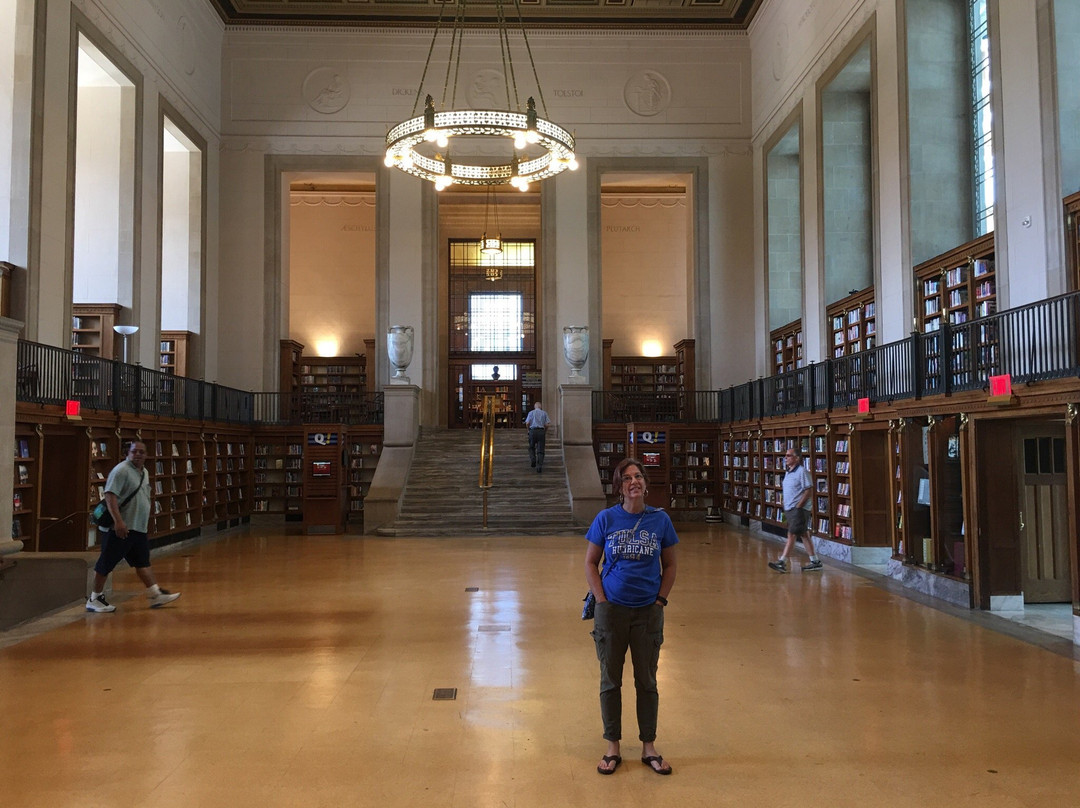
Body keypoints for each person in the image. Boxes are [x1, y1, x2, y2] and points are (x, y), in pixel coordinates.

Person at [585, 458, 678, 776]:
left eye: (638, 476)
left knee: (647, 681)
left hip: (647, 613)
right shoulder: (605, 518)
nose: (633, 481)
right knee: (610, 680)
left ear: (645, 484)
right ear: (619, 486)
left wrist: (660, 601)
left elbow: (671, 565)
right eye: (627, 478)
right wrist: (601, 600)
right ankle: (612, 746)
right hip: (611, 612)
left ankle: (648, 747)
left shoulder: (660, 521)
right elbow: (590, 563)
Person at [86, 440, 181, 612]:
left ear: (146, 455)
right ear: (127, 454)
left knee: (142, 563)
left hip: (137, 529)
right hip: (120, 529)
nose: (137, 454)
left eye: (141, 452)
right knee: (105, 564)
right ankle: (94, 598)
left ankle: (155, 594)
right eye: (134, 451)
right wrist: (118, 521)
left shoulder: (143, 472)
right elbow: (110, 496)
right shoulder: (121, 470)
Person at [768, 447, 822, 572]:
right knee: (804, 534)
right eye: (785, 455)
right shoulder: (788, 471)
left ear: (797, 458)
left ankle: (782, 561)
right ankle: (815, 561)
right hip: (790, 508)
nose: (785, 458)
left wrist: (799, 506)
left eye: (789, 455)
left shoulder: (802, 471)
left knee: (791, 534)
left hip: (799, 509)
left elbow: (808, 489)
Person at [524, 401, 552, 473]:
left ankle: (533, 459)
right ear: (541, 407)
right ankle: (539, 466)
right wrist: (545, 431)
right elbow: (547, 424)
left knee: (531, 447)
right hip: (541, 431)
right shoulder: (544, 413)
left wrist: (528, 430)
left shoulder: (531, 413)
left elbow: (527, 423)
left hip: (532, 431)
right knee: (541, 449)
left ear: (534, 407)